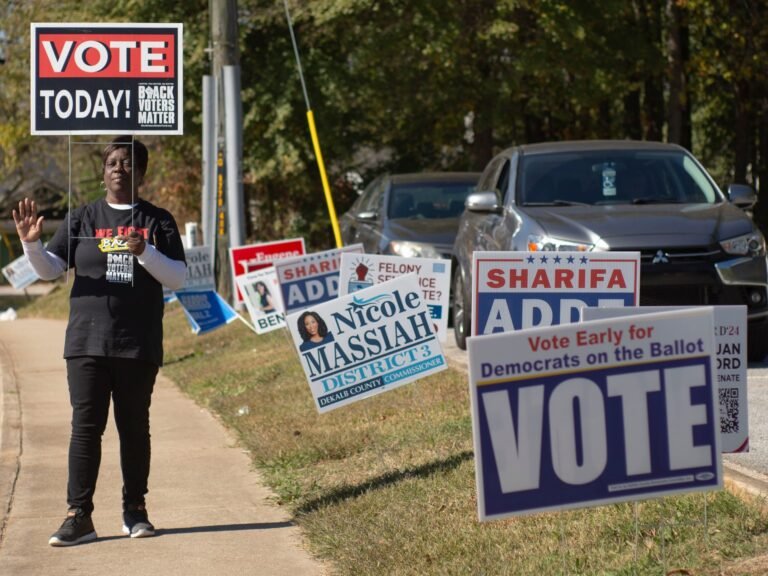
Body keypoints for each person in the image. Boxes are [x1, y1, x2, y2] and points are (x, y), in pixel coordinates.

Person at [12, 136, 187, 546]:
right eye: (112, 162)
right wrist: (30, 243)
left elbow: (178, 277)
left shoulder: (157, 220)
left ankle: (136, 511)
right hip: (86, 343)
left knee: (133, 428)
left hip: (136, 343)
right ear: (103, 170)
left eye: (127, 163)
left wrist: (145, 251)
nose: (118, 169)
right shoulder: (83, 218)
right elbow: (50, 270)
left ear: (141, 172)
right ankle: (79, 517)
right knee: (85, 429)